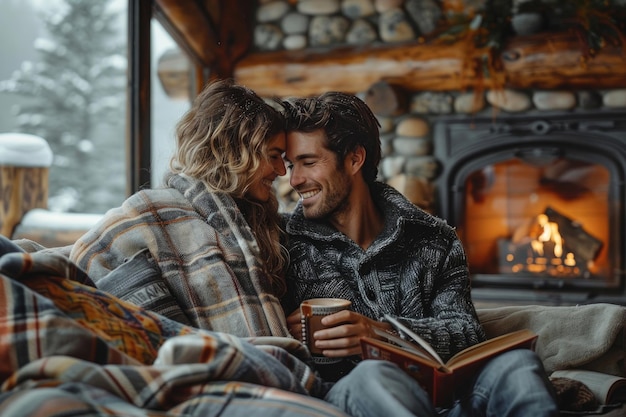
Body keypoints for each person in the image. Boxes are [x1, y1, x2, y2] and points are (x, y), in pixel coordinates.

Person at [279, 92, 560, 416]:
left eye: (308, 163)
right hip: (353, 398)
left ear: (355, 159)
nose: (295, 180)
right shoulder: (284, 242)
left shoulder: (433, 239)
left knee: (518, 365)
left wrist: (378, 334)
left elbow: (466, 332)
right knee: (374, 376)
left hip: (445, 400)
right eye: (290, 165)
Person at [69, 78, 292, 337]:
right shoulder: (151, 212)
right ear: (233, 151)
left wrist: (288, 326)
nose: (281, 171)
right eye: (273, 156)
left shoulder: (264, 225)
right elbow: (87, 258)